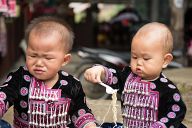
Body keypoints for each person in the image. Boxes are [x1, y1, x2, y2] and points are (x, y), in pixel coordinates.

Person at [84, 22, 187, 128]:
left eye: (146, 58)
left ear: (165, 60)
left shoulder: (167, 89)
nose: (139, 62)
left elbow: (176, 111)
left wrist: (160, 125)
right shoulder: (128, 76)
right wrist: (100, 71)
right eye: (134, 57)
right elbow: (114, 77)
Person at [0, 16, 97, 128]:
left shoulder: (72, 85)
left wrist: (89, 124)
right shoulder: (19, 78)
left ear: (64, 60)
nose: (39, 63)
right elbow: (4, 95)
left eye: (48, 58)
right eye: (33, 55)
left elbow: (80, 110)